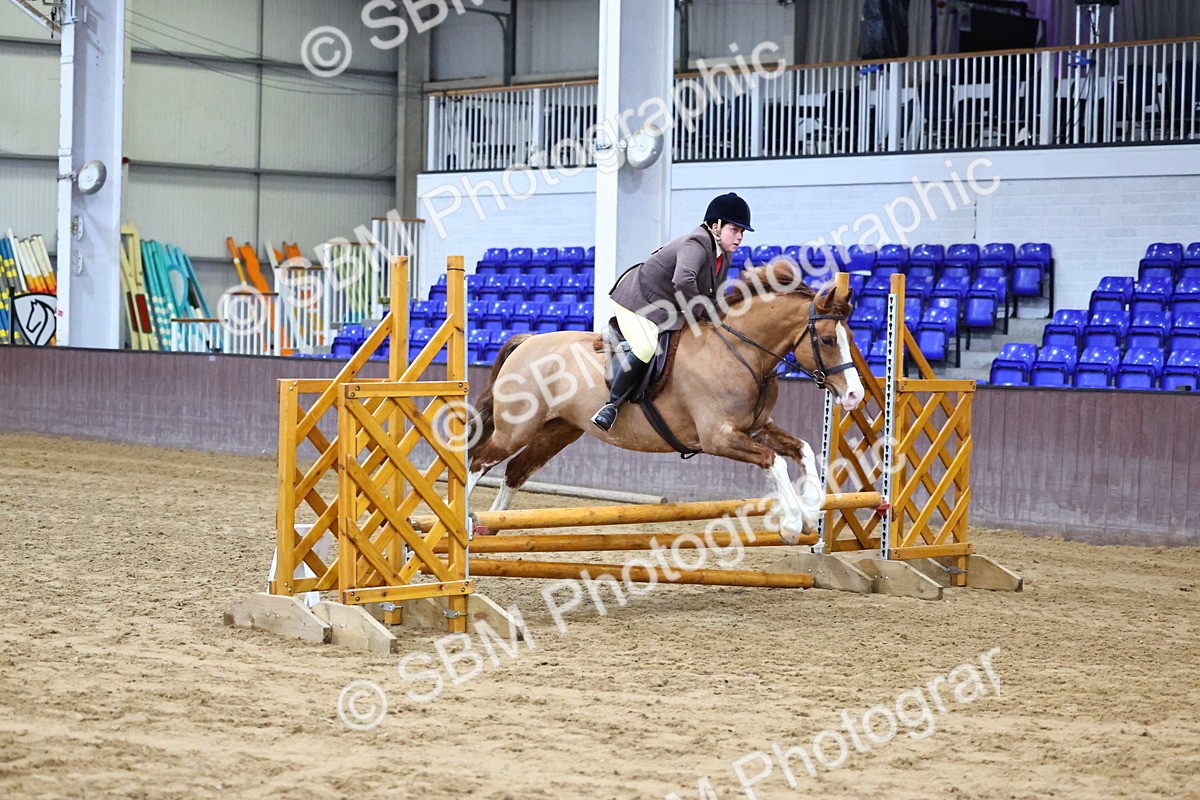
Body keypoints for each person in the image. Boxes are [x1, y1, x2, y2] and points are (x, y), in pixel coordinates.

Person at [591, 192, 752, 432]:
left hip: (666, 307)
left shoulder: (724, 256)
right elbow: (684, 281)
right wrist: (702, 312)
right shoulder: (696, 244)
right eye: (734, 229)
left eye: (742, 232)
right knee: (646, 347)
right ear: (715, 225)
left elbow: (715, 295)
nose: (739, 237)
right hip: (637, 302)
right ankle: (610, 406)